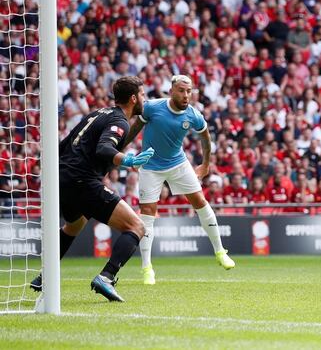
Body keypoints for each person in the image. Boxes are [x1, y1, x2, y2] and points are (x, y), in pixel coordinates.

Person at [30, 76, 154, 302]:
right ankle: (107, 277)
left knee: (74, 225)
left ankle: (44, 276)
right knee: (137, 226)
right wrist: (127, 161)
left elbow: (64, 144)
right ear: (134, 98)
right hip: (82, 180)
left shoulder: (99, 113)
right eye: (143, 95)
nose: (145, 99)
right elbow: (104, 148)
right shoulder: (120, 121)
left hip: (61, 177)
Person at [124, 75, 235, 285]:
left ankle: (220, 252)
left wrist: (206, 164)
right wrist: (119, 148)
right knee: (147, 215)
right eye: (182, 90)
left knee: (201, 202)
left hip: (178, 164)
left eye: (189, 91)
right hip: (150, 166)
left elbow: (206, 137)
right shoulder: (152, 108)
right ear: (171, 91)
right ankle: (147, 268)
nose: (186, 95)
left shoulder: (194, 115)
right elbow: (134, 129)